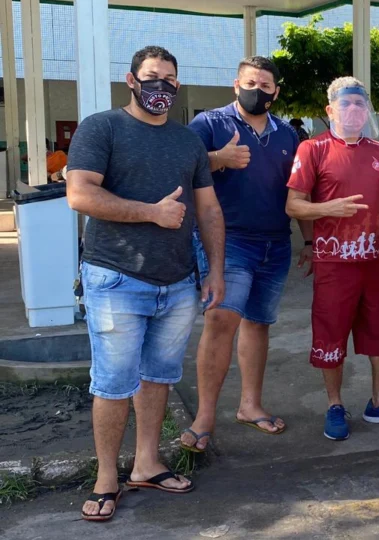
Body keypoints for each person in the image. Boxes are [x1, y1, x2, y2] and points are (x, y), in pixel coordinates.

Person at [65, 46, 225, 522]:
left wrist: (215, 269)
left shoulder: (187, 141)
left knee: (158, 377)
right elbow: (80, 194)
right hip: (116, 278)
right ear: (131, 80)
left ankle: (147, 464)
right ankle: (106, 479)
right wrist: (151, 213)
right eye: (152, 77)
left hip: (177, 282)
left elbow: (208, 210)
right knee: (114, 384)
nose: (162, 86)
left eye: (170, 79)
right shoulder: (102, 128)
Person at [178, 56, 309, 453]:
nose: (257, 90)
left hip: (276, 242)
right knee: (221, 320)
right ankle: (204, 418)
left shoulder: (288, 134)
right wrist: (219, 159)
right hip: (228, 240)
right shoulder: (209, 124)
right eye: (250, 83)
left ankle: (250, 405)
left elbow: (298, 192)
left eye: (265, 85)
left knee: (258, 323)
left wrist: (310, 242)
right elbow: (181, 166)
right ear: (236, 85)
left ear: (276, 92)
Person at [286, 77, 379, 441]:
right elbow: (293, 205)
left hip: (375, 261)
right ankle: (335, 404)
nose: (354, 110)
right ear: (330, 110)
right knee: (331, 335)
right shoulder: (313, 149)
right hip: (334, 262)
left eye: (360, 104)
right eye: (346, 104)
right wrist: (328, 208)